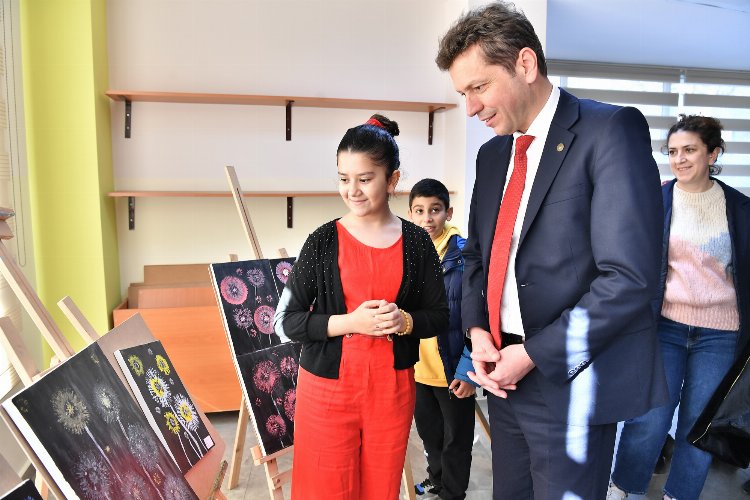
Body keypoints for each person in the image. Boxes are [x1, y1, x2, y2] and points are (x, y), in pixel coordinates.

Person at [435, 3, 667, 499]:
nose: (471, 108)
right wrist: (477, 331)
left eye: (479, 87)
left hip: (572, 379)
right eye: (462, 94)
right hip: (502, 373)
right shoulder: (492, 154)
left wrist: (533, 354)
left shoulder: (610, 131)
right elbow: (477, 256)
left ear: (524, 64)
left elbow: (629, 277)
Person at [274, 114, 449, 500]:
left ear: (392, 179)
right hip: (327, 394)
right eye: (343, 178)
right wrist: (351, 322)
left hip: (391, 394)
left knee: (380, 490)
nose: (352, 191)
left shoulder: (417, 243)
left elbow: (439, 316)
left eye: (365, 179)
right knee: (325, 490)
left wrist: (405, 321)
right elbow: (284, 322)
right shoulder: (322, 241)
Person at [607, 115, 750, 500]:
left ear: (713, 154)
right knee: (648, 418)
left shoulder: (740, 209)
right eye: (672, 151)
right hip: (666, 327)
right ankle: (624, 488)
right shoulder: (654, 201)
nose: (679, 159)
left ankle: (680, 494)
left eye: (689, 150)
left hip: (722, 335)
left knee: (698, 425)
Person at [408, 178, 476, 500]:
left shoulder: (465, 254)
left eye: (434, 210)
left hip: (452, 369)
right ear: (410, 214)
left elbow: (480, 315)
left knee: (456, 440)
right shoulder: (408, 252)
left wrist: (468, 370)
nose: (427, 218)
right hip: (418, 368)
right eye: (419, 211)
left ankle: (453, 494)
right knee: (430, 435)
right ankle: (436, 480)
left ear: (448, 212)